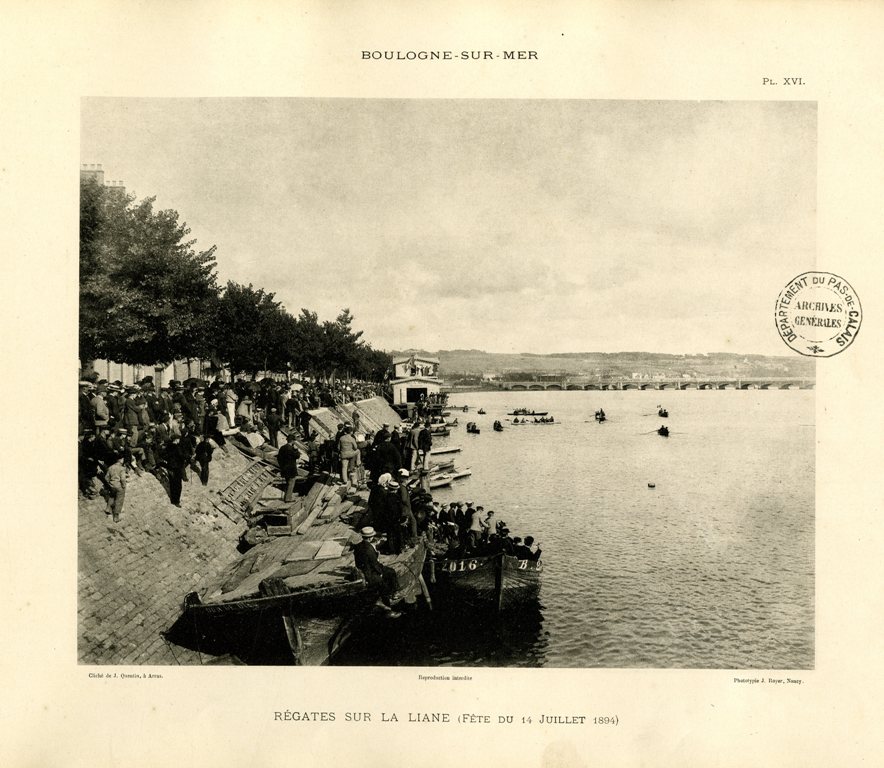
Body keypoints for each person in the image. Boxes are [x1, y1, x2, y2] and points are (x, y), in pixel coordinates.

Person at [352, 527, 401, 617]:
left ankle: (393, 594)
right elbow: (375, 565)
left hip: (362, 571)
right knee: (386, 581)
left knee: (389, 572)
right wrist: (380, 573)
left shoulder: (358, 546)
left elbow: (358, 561)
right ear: (371, 537)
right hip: (370, 574)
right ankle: (389, 608)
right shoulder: (369, 549)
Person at [163, 434, 187, 507]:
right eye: (178, 439)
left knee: (172, 484)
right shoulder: (177, 447)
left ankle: (173, 500)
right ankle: (177, 501)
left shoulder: (168, 447)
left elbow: (164, 456)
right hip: (177, 468)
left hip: (170, 468)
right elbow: (181, 456)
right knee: (178, 485)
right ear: (176, 440)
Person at [277, 433, 301, 503]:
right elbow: (297, 456)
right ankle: (288, 498)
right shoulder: (291, 449)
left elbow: (278, 458)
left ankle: (286, 497)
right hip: (291, 468)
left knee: (287, 482)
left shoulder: (282, 448)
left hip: (284, 468)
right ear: (293, 441)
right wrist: (296, 450)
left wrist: (281, 466)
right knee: (291, 483)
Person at [103, 453, 127, 522]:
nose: (123, 460)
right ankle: (116, 516)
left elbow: (106, 478)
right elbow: (122, 479)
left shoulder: (110, 467)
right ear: (120, 460)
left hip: (112, 485)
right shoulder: (122, 468)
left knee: (112, 496)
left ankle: (108, 509)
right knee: (119, 500)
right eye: (122, 459)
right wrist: (124, 486)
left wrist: (110, 483)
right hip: (119, 486)